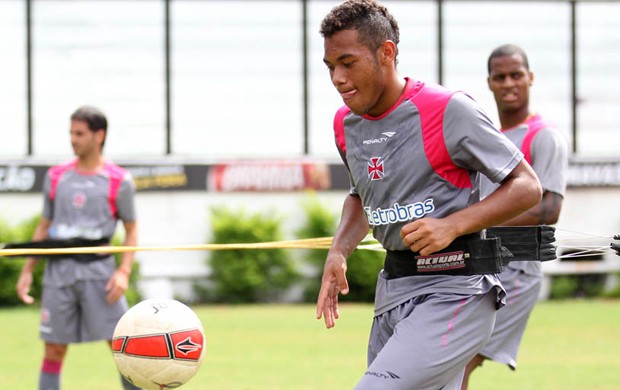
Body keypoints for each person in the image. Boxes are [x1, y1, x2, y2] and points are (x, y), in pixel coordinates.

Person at [315, 1, 543, 389]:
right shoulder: (345, 123)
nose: (337, 78)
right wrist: (339, 251)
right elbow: (360, 195)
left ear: (386, 53)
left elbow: (527, 186)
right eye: (330, 66)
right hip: (394, 289)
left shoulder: (448, 110)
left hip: (456, 290)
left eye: (348, 63)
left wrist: (452, 225)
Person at [461, 44, 569, 389]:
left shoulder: (545, 136)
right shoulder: (490, 137)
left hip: (518, 269)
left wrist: (472, 222)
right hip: (481, 262)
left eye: (516, 75)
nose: (509, 83)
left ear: (530, 78)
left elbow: (549, 208)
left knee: (458, 361)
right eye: (500, 77)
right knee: (443, 358)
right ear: (489, 83)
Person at [15, 106, 140, 390]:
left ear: (99, 135)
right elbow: (44, 226)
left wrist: (123, 271)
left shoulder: (120, 180)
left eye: (79, 133)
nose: (73, 139)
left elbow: (131, 229)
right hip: (58, 274)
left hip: (100, 273)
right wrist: (27, 270)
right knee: (54, 350)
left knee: (123, 345)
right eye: (71, 132)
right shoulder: (56, 176)